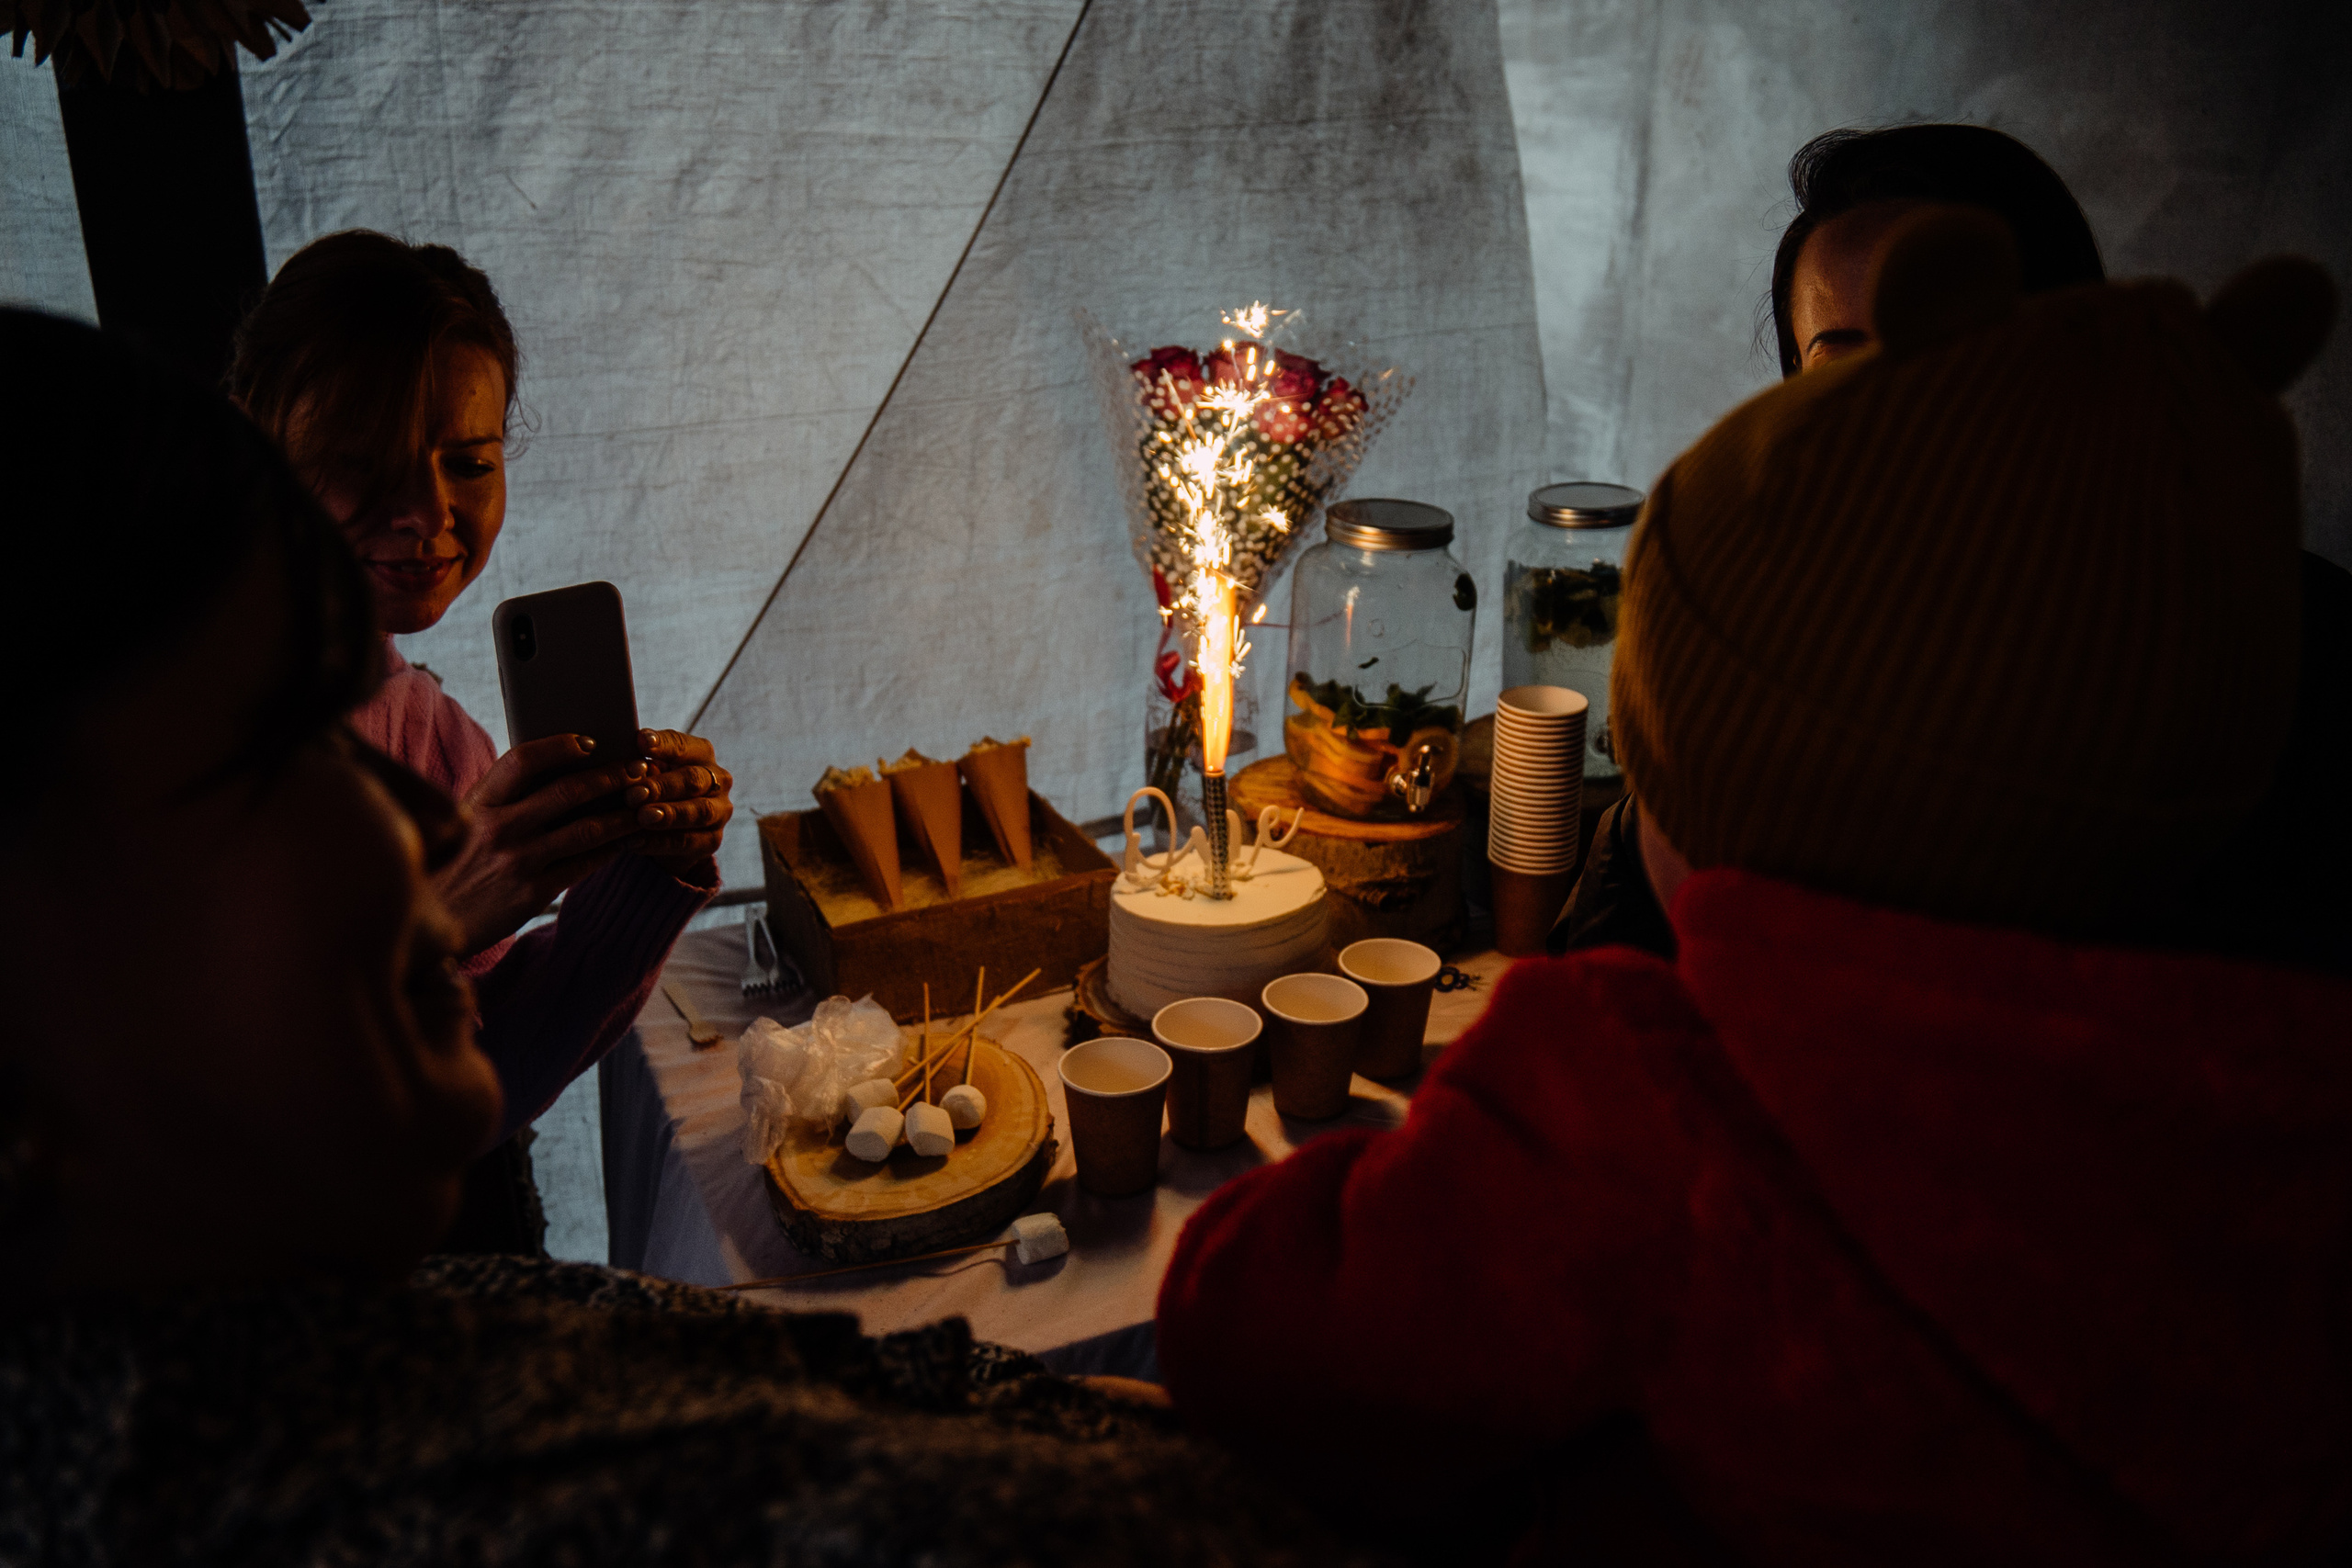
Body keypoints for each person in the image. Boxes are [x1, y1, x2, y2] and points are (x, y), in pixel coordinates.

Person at [0, 308, 1357, 1565]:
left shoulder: (332, 1321)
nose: (417, 819)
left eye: (468, 458)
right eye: (271, 749)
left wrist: (645, 880)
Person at [1156, 212, 2352, 1562]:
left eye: (1649, 755)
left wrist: (1446, 1149)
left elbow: (1272, 1344)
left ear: (1711, 786)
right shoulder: (2277, 1080)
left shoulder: (1655, 1100)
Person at [1555, 122, 2352, 973]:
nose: (1910, 413)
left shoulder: (2278, 651)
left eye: (1957, 357)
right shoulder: (1762, 644)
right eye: (1845, 370)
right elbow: (1609, 967)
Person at [227, 231, 736, 1250]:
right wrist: (424, 928)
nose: (427, 516)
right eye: (359, 464)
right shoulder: (152, 722)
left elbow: (486, 1086)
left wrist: (640, 875)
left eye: (469, 461)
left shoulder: (426, 729)